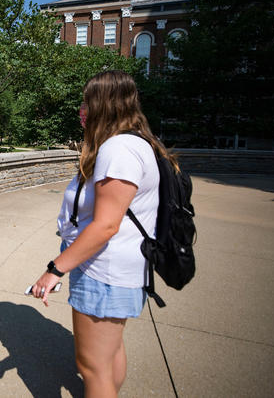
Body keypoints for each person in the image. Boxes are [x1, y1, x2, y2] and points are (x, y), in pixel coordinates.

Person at [30, 70, 174, 397]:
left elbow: (106, 225)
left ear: (104, 105)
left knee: (92, 366)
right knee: (108, 356)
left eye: (86, 102)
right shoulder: (133, 143)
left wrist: (54, 270)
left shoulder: (118, 150)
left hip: (102, 273)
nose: (82, 109)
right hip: (115, 271)